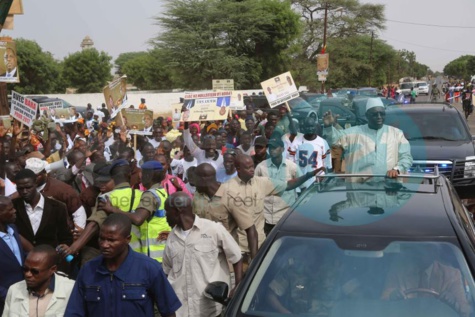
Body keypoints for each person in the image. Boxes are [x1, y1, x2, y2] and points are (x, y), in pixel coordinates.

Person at [65, 213, 181, 317]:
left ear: (127, 239)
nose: (105, 245)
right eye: (102, 239)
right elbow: (74, 312)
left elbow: (168, 312)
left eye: (111, 240)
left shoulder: (149, 268)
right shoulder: (88, 270)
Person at [163, 192, 242, 317]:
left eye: (167, 212)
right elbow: (167, 271)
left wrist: (238, 287)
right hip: (181, 310)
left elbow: (237, 257)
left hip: (208, 309)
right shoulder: (172, 237)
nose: (165, 216)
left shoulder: (213, 229)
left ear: (178, 211)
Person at [323, 98, 413, 177]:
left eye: (382, 114)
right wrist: (328, 127)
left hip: (388, 189)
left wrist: (397, 169)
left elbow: (406, 157)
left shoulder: (396, 134)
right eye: (375, 114)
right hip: (359, 190)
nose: (379, 117)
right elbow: (334, 140)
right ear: (367, 116)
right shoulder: (354, 133)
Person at [382, 244, 471, 317]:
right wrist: (392, 296)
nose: (421, 252)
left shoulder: (452, 275)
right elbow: (383, 300)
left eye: (427, 247)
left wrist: (453, 302)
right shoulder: (398, 270)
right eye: (419, 248)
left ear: (436, 252)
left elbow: (466, 312)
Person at [2, 245, 75, 317]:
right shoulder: (14, 290)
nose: (28, 274)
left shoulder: (70, 289)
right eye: (25, 269)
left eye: (35, 271)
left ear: (52, 269)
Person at [13, 169, 73, 248]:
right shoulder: (13, 207)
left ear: (36, 183)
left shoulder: (57, 207)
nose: (24, 191)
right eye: (20, 188)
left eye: (28, 187)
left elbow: (65, 237)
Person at [255, 138, 301, 236]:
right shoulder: (260, 167)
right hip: (266, 216)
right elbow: (254, 188)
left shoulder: (292, 167)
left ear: (282, 149)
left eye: (275, 148)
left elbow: (303, 186)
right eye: (270, 148)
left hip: (285, 215)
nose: (272, 150)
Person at [25, 158, 87, 230]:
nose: (33, 179)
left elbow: (78, 212)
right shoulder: (23, 189)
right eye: (30, 177)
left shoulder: (62, 189)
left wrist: (77, 233)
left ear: (44, 172)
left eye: (36, 176)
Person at [135, 161, 171, 262]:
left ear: (148, 175)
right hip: (162, 251)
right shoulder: (162, 192)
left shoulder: (150, 195)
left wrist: (114, 210)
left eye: (142, 172)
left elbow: (138, 219)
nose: (139, 175)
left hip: (153, 256)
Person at [0, 196, 25, 314]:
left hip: (23, 295)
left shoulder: (13, 229)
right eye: (10, 209)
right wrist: (8, 296)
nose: (14, 211)